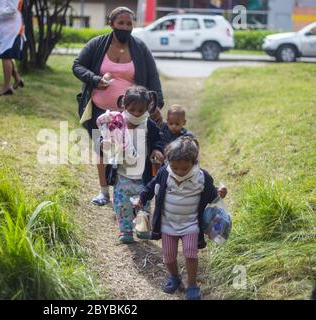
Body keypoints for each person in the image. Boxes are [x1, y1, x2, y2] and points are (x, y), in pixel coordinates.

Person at [72, 6, 164, 206]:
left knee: (131, 150)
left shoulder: (139, 48)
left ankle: (128, 190)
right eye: (121, 23)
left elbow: (153, 77)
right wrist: (95, 79)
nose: (125, 26)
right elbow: (77, 65)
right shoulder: (97, 44)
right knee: (103, 149)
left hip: (131, 112)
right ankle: (104, 192)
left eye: (129, 23)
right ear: (111, 23)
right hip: (100, 110)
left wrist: (157, 104)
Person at [137, 136, 228, 300]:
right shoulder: (165, 172)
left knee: (191, 254)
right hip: (167, 224)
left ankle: (192, 285)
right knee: (169, 256)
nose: (179, 171)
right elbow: (151, 186)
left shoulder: (201, 177)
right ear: (169, 162)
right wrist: (141, 198)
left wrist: (220, 193)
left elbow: (212, 195)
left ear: (193, 163)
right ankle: (174, 277)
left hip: (191, 224)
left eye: (184, 169)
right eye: (175, 167)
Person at [108, 86, 165, 244]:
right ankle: (125, 230)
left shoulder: (149, 125)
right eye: (132, 110)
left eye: (141, 110)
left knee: (144, 203)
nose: (136, 114)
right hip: (121, 174)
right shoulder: (117, 122)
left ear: (148, 108)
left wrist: (157, 150)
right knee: (122, 204)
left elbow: (159, 140)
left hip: (143, 176)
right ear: (124, 106)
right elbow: (105, 139)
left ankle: (143, 227)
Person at [0, 0, 25, 96]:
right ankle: (17, 79)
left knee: (6, 56)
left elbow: (12, 9)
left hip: (11, 28)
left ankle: (7, 87)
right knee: (6, 55)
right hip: (8, 26)